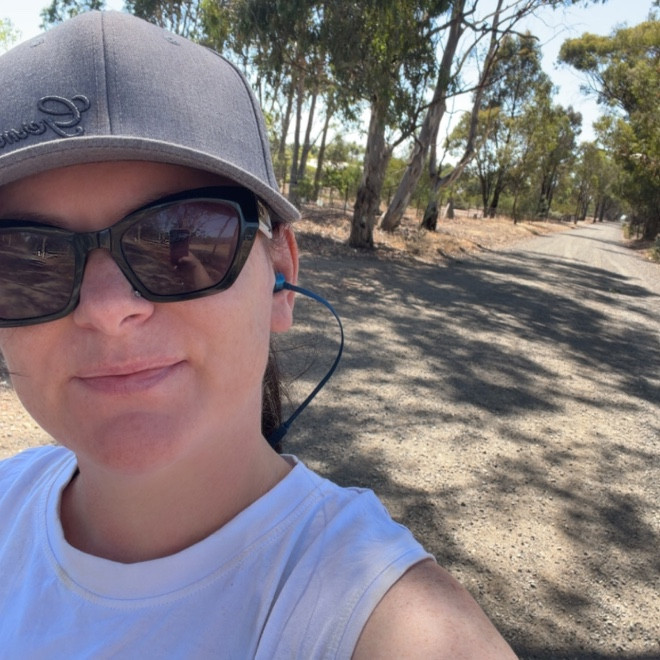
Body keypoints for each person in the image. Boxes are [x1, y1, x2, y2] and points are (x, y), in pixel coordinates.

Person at [0, 11, 516, 658]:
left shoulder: (382, 622)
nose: (106, 309)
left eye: (181, 238)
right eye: (26, 259)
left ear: (281, 276)